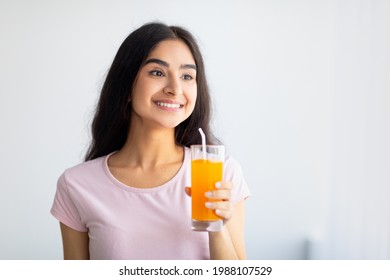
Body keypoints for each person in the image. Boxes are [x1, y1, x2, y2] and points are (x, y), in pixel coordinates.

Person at [51, 22, 250, 260]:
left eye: (187, 76)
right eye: (157, 72)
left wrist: (217, 227)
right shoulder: (76, 184)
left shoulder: (222, 174)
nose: (175, 89)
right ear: (126, 86)